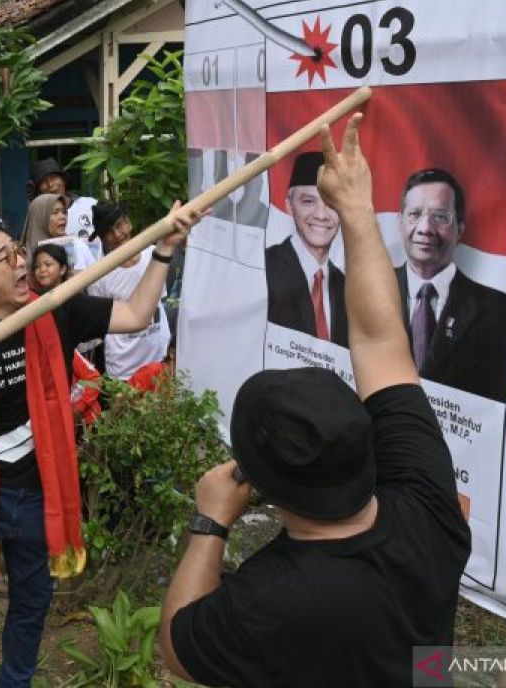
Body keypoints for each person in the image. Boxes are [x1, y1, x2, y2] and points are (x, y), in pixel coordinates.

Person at [159, 114, 472, 685]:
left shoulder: (268, 599)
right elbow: (381, 342)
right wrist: (356, 207)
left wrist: (209, 521)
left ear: (260, 489)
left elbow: (178, 648)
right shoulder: (427, 507)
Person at [0, 202, 195, 687]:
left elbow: (137, 313)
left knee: (33, 595)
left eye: (17, 251)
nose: (22, 262)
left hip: (39, 487)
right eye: (6, 257)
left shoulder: (54, 309)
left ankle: (13, 681)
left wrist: (164, 249)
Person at [395, 168, 506, 402]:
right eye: (415, 214)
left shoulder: (499, 310)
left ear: (460, 229)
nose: (425, 228)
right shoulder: (369, 289)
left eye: (440, 217)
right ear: (400, 223)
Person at [264, 151, 349, 346]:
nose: (321, 214)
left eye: (332, 203)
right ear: (289, 206)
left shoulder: (347, 287)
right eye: (308, 201)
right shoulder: (263, 269)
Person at [86, 203, 170, 380]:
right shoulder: (99, 274)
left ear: (129, 223)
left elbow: (159, 299)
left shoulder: (153, 255)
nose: (117, 235)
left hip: (160, 357)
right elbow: (101, 322)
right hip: (124, 369)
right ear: (102, 238)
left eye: (119, 225)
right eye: (109, 231)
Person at [30, 157, 99, 252]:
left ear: (64, 181)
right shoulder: (41, 219)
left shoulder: (90, 204)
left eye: (53, 178)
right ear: (39, 190)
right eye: (43, 181)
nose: (50, 184)